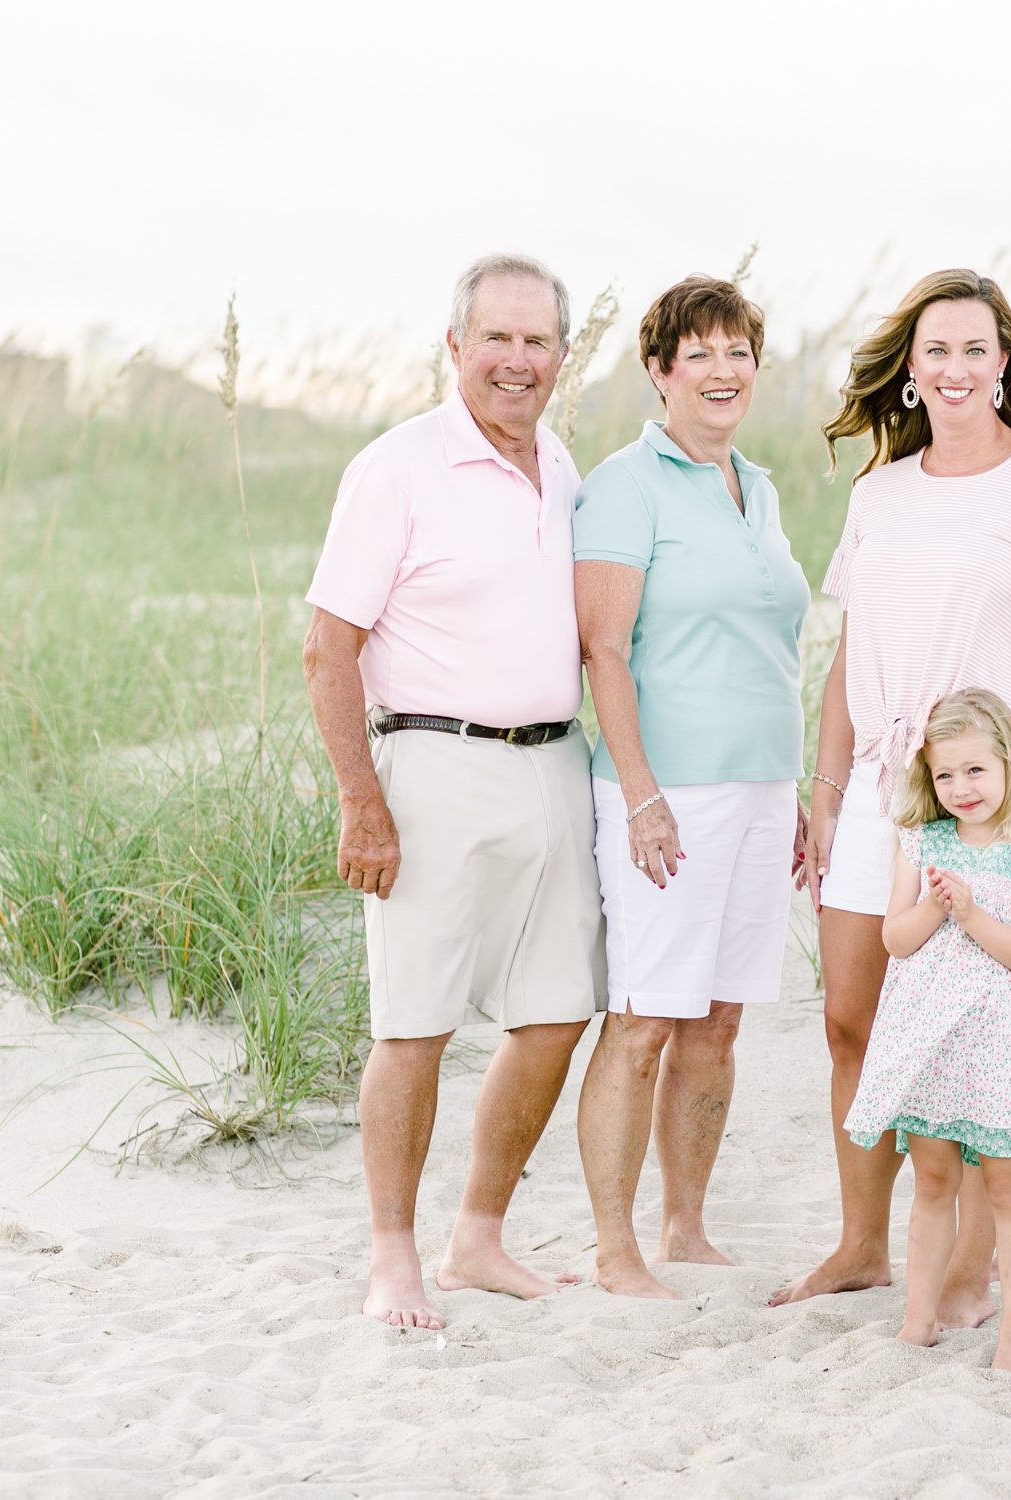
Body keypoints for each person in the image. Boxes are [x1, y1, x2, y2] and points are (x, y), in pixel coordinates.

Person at [774, 268, 1011, 1315]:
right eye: (937, 351)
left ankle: (968, 1264)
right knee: (851, 1017)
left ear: (1006, 364)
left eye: (976, 349)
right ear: (911, 372)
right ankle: (862, 1246)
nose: (956, 368)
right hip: (884, 786)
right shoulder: (879, 492)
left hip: (985, 800)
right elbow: (848, 654)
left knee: (966, 1028)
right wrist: (825, 785)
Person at [301, 252, 606, 1331]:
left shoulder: (563, 467)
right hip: (433, 766)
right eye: (497, 339)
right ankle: (393, 1256)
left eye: (537, 343)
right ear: (455, 346)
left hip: (556, 766)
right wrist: (361, 803)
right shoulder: (397, 469)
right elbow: (327, 650)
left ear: (562, 358)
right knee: (414, 1023)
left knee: (561, 1011)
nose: (517, 362)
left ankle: (478, 1236)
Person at [571, 276, 811, 1298]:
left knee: (719, 1022)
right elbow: (604, 650)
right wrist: (640, 792)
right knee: (645, 1021)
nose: (722, 372)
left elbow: (771, 649)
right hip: (669, 793)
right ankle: (614, 1247)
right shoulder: (627, 484)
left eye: (738, 353)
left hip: (759, 789)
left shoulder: (755, 485)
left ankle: (685, 1225)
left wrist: (792, 788)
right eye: (699, 354)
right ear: (660, 371)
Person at [845, 689, 1011, 1373]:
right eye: (945, 775)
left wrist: (969, 914)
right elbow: (896, 938)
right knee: (932, 1178)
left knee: (1005, 1183)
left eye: (976, 771)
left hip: (998, 1039)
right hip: (930, 1034)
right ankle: (919, 1319)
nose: (961, 788)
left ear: (1008, 767)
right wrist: (938, 910)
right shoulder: (924, 840)